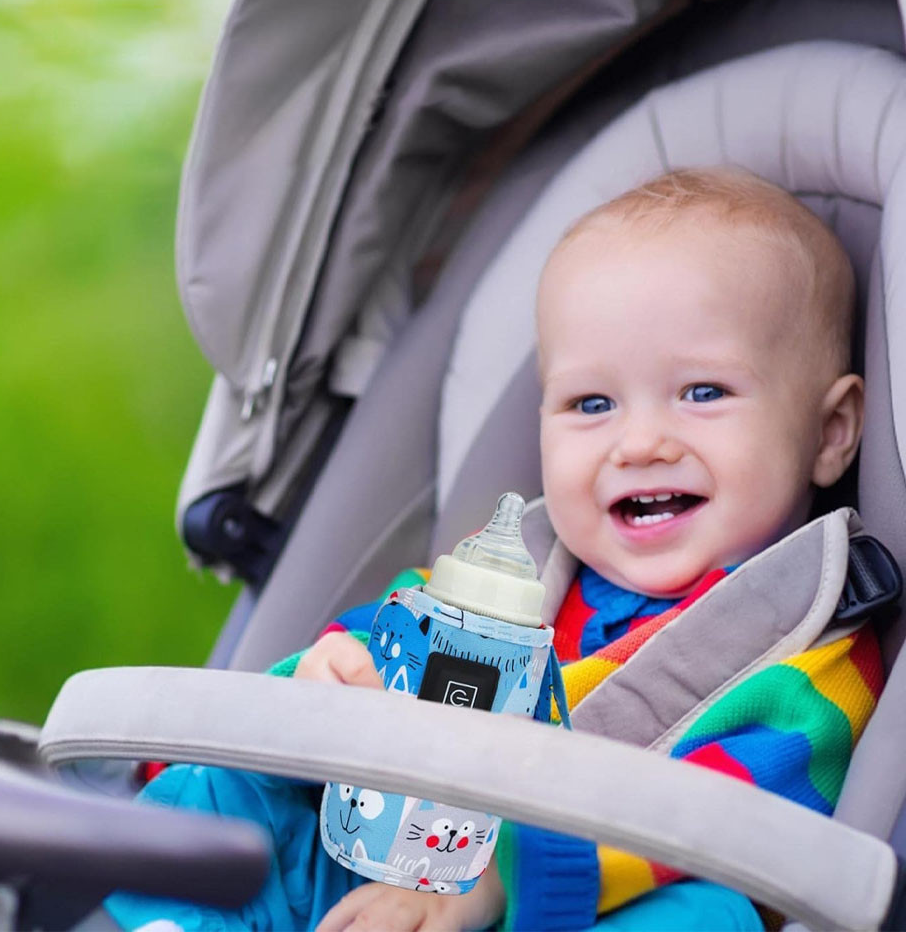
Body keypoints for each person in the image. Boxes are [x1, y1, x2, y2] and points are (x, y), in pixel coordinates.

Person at [107, 168, 881, 932]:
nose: (639, 442)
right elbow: (384, 640)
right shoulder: (513, 574)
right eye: (593, 403)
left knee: (707, 915)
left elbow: (725, 827)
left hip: (574, 902)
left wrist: (491, 887)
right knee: (225, 788)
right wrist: (335, 675)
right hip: (372, 874)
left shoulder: (808, 659)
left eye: (704, 392)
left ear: (832, 432)